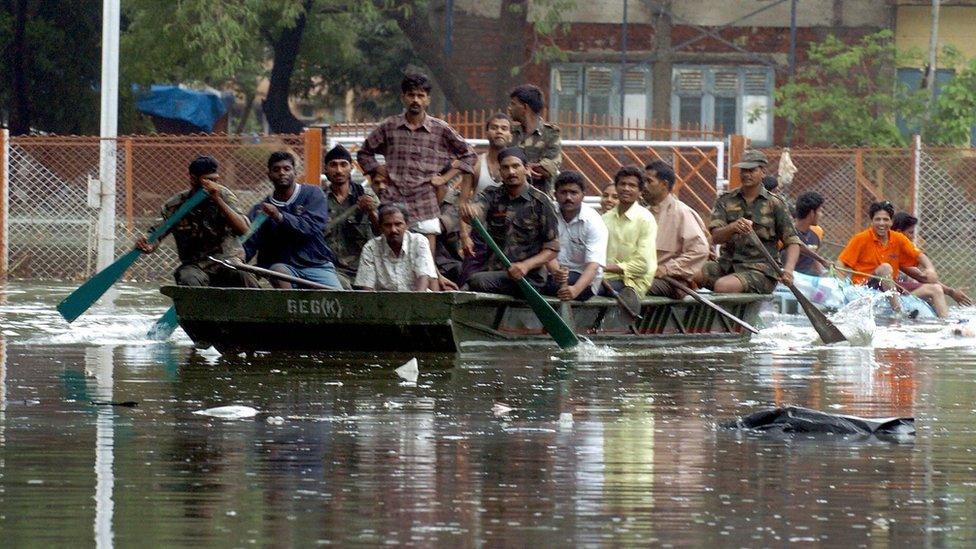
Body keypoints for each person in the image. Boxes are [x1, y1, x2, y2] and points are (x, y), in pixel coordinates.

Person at [357, 73, 476, 290]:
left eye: (421, 95)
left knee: (427, 268)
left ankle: (429, 315)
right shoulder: (389, 126)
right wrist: (378, 169)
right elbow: (364, 153)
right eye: (411, 95)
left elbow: (469, 155)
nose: (416, 100)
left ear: (428, 99)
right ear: (403, 97)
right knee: (390, 259)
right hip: (392, 204)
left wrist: (444, 178)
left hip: (425, 204)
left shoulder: (440, 129)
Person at [136, 155, 258, 288]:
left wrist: (218, 200)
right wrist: (147, 244)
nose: (213, 185)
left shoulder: (224, 196)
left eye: (215, 180)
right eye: (208, 180)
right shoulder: (176, 205)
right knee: (188, 278)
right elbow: (157, 233)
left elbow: (243, 230)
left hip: (227, 260)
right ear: (193, 179)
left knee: (242, 275)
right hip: (195, 265)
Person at [458, 147, 560, 296]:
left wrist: (525, 266)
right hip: (496, 272)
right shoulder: (492, 194)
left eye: (515, 166)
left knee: (475, 281)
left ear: (526, 169)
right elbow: (479, 207)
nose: (511, 172)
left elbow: (552, 249)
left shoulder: (541, 202)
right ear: (500, 172)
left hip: (528, 279)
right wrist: (471, 211)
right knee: (465, 280)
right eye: (505, 168)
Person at [700, 150, 801, 294]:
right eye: (743, 170)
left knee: (723, 286)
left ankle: (724, 315)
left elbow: (792, 241)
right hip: (727, 266)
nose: (747, 174)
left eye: (752, 170)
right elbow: (715, 237)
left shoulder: (775, 204)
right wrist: (732, 228)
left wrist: (789, 271)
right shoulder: (725, 200)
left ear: (762, 172)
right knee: (688, 273)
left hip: (761, 271)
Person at [244, 151, 342, 289]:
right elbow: (249, 241)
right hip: (283, 268)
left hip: (316, 265)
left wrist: (279, 216)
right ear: (269, 175)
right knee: (278, 271)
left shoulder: (313, 194)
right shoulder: (261, 210)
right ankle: (288, 309)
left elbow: (311, 227)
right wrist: (237, 257)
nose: (282, 173)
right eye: (276, 170)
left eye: (287, 168)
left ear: (295, 172)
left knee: (339, 301)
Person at [838, 201, 949, 317]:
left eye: (885, 220)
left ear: (891, 222)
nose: (882, 223)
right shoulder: (860, 239)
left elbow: (919, 255)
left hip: (891, 286)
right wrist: (840, 288)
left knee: (936, 289)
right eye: (878, 219)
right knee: (885, 268)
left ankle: (946, 324)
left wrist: (930, 269)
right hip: (866, 285)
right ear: (872, 221)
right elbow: (841, 262)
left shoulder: (898, 238)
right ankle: (898, 312)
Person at [643, 160, 709, 298]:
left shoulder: (681, 212)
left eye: (649, 181)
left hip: (671, 281)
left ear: (664, 185)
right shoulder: (643, 213)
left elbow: (700, 250)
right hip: (642, 275)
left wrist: (667, 268)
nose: (644, 186)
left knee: (632, 288)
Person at [543, 171, 608, 301]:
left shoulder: (593, 221)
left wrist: (575, 290)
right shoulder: (548, 214)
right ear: (555, 195)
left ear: (583, 195)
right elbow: (545, 249)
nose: (568, 197)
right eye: (563, 192)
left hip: (583, 280)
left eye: (573, 193)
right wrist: (557, 272)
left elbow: (593, 265)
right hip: (553, 274)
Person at [322, 144, 379, 288]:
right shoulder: (318, 199)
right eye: (333, 165)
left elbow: (383, 232)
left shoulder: (367, 195)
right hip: (330, 268)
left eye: (343, 165)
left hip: (365, 267)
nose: (339, 170)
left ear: (351, 167)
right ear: (326, 169)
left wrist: (371, 212)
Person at [891, 211, 972, 307]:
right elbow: (921, 277)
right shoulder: (892, 250)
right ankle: (943, 320)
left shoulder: (902, 250)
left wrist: (951, 292)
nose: (913, 237)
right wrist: (951, 292)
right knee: (934, 289)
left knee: (916, 283)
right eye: (910, 232)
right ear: (899, 232)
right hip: (890, 292)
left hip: (897, 289)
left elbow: (919, 274)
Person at [355, 204, 439, 292]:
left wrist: (415, 303)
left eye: (398, 224)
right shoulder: (371, 247)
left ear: (407, 225)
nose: (393, 230)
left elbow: (423, 277)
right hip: (384, 303)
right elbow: (367, 287)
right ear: (381, 228)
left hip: (419, 299)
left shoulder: (419, 241)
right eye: (387, 225)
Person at [601, 166, 657, 296]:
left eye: (632, 185)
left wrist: (603, 267)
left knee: (588, 290)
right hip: (603, 278)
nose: (626, 188)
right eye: (622, 184)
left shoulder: (645, 219)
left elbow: (642, 266)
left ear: (640, 191)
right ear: (616, 187)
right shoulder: (605, 219)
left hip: (632, 283)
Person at [508, 84, 561, 194]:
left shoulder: (551, 133)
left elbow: (548, 169)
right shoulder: (510, 133)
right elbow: (503, 164)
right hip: (512, 200)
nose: (509, 108)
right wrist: (529, 168)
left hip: (541, 201)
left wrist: (517, 169)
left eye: (513, 104)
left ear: (525, 108)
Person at [790, 191, 826, 276]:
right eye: (820, 211)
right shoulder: (787, 233)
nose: (821, 215)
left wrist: (823, 274)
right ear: (812, 213)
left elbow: (814, 259)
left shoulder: (817, 232)